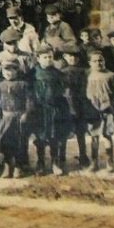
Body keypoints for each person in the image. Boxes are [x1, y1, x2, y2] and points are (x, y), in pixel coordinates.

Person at [32, 44, 70, 176]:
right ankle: (41, 162)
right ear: (38, 58)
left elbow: (64, 92)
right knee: (41, 137)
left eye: (50, 57)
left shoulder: (58, 74)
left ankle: (55, 162)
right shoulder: (33, 73)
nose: (48, 59)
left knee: (54, 136)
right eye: (45, 57)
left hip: (54, 110)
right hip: (40, 111)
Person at [0, 59, 33, 178]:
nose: (9, 73)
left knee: (20, 142)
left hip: (18, 117)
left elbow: (29, 100)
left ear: (17, 71)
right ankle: (7, 165)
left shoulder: (23, 84)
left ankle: (18, 166)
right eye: (6, 70)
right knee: (6, 142)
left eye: (12, 70)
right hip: (5, 118)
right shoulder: (0, 85)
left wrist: (26, 113)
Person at [85, 49, 114, 172]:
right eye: (95, 61)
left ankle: (110, 161)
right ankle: (94, 162)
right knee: (94, 135)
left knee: (107, 134)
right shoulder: (87, 75)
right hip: (92, 108)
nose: (98, 63)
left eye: (101, 60)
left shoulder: (111, 75)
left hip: (107, 107)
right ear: (90, 63)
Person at [60, 43, 92, 169]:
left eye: (75, 57)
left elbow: (86, 89)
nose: (72, 59)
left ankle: (83, 156)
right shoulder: (61, 73)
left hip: (80, 105)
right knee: (63, 133)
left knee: (80, 132)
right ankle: (61, 157)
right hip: (66, 106)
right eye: (69, 56)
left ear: (79, 58)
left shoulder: (84, 72)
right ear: (64, 57)